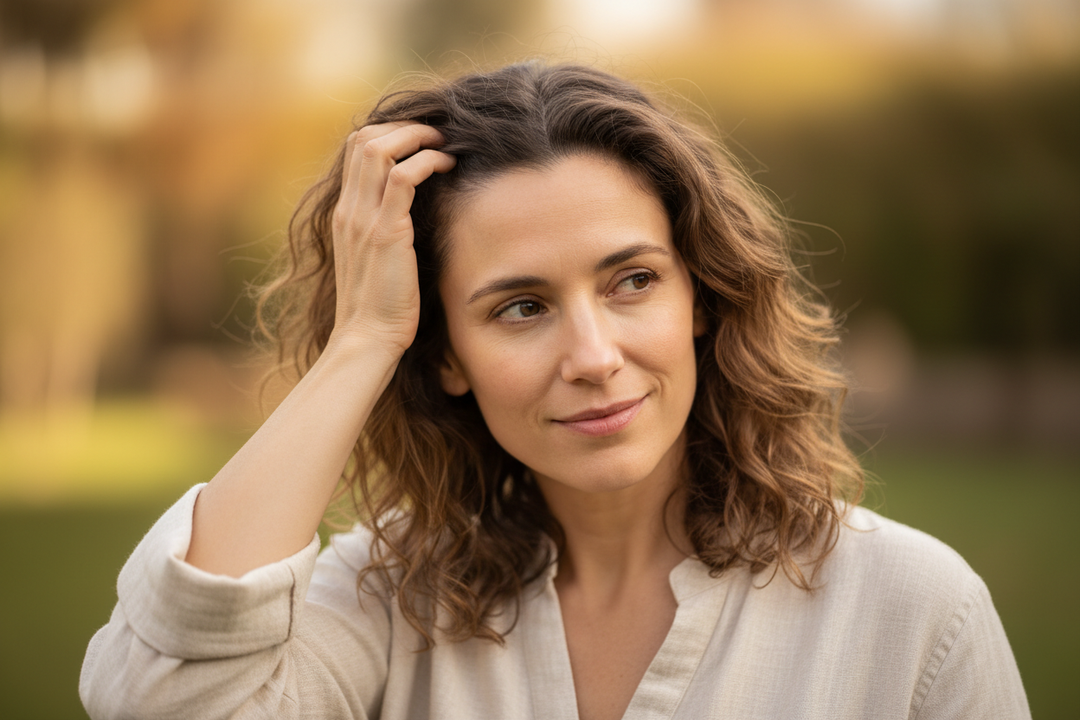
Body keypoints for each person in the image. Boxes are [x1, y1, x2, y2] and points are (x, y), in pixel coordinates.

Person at [79, 61, 1030, 720]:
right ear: (444, 353)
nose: (594, 354)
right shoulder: (391, 598)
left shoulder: (912, 608)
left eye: (632, 281)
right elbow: (168, 699)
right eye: (521, 308)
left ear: (699, 296)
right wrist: (364, 338)